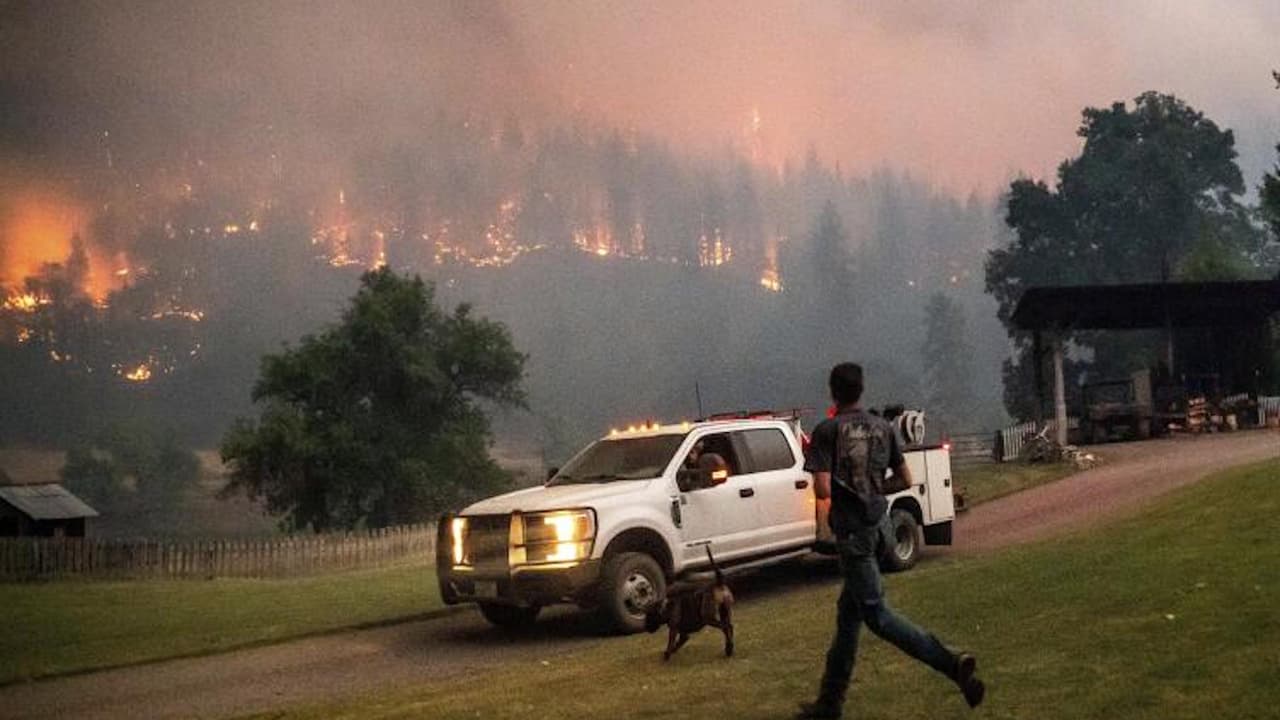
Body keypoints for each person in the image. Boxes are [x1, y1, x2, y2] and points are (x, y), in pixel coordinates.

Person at [797, 362, 985, 719]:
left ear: (833, 392)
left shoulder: (827, 431)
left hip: (852, 535)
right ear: (861, 390)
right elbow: (906, 479)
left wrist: (847, 492)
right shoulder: (883, 428)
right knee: (848, 619)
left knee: (878, 616)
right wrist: (873, 489)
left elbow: (822, 488)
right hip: (878, 527)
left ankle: (952, 663)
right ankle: (828, 705)